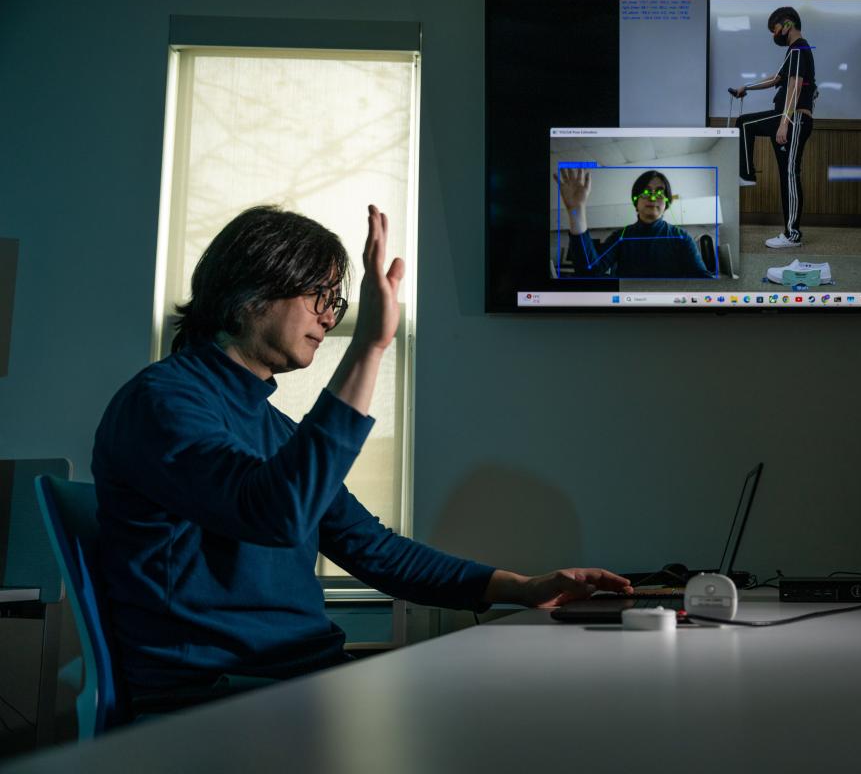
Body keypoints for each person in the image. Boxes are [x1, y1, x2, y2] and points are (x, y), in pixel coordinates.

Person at [93, 204, 632, 703]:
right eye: (318, 296)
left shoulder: (276, 428)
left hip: (302, 677)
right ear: (251, 292)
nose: (330, 317)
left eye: (336, 302)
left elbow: (373, 549)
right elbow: (274, 515)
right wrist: (369, 346)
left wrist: (525, 586)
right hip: (222, 694)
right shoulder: (160, 402)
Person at [731, 6, 816, 249]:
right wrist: (746, 86)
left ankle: (792, 235)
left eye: (775, 29)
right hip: (787, 117)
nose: (774, 35)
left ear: (787, 24)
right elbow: (776, 79)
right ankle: (746, 173)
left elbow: (795, 87)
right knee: (745, 123)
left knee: (790, 175)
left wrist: (783, 123)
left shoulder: (800, 48)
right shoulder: (793, 52)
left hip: (794, 119)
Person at [558, 168, 712, 279]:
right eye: (646, 192)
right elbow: (589, 272)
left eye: (660, 192)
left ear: (667, 203)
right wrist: (577, 210)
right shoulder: (620, 236)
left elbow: (703, 280)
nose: (652, 198)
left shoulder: (682, 237)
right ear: (635, 201)